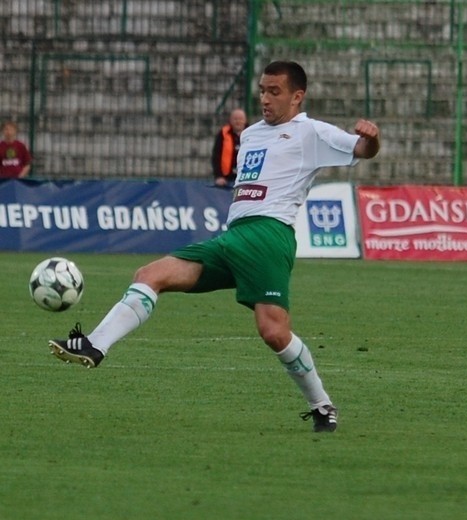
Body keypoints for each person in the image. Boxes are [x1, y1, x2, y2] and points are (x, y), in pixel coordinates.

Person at [49, 61, 381, 432]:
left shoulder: (311, 132)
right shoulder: (252, 135)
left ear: (297, 96)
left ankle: (322, 406)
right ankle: (95, 345)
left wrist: (371, 137)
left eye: (275, 92)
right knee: (150, 275)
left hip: (269, 236)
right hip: (233, 235)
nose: (265, 98)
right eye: (262, 90)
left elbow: (363, 150)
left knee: (273, 332)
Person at [211, 108, 247, 187]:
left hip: (246, 178)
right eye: (235, 119)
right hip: (226, 178)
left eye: (240, 119)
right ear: (230, 120)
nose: (238, 122)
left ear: (245, 120)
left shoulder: (252, 133)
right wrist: (219, 176)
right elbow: (216, 156)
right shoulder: (223, 134)